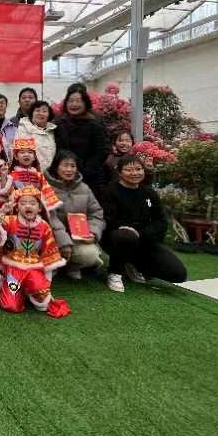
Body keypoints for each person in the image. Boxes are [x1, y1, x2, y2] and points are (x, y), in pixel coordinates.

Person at [101, 154, 187, 293]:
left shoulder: (149, 193)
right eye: (129, 170)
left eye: (138, 169)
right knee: (125, 236)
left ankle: (133, 264)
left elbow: (160, 221)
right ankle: (115, 272)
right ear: (120, 172)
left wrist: (141, 234)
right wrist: (125, 228)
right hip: (117, 239)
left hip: (143, 240)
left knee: (178, 273)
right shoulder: (109, 191)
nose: (135, 173)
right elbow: (107, 218)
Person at [0, 187, 70, 317]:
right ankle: (8, 284)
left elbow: (49, 252)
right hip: (13, 268)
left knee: (42, 299)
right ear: (17, 207)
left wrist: (46, 281)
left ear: (39, 208)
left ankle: (27, 289)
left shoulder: (44, 226)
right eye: (23, 203)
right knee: (10, 306)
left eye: (32, 203)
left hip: (34, 268)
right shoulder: (9, 221)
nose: (28, 206)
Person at [45, 150, 105, 280]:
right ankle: (56, 263)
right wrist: (64, 242)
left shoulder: (84, 188)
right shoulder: (46, 187)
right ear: (56, 167)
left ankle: (73, 265)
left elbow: (97, 214)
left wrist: (92, 233)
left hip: (77, 238)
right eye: (65, 165)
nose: (69, 170)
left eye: (72, 166)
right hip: (52, 238)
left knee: (90, 255)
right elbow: (50, 218)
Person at [54, 83, 109, 197]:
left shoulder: (95, 122)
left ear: (85, 103)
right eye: (71, 101)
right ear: (66, 103)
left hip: (90, 177)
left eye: (78, 101)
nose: (74, 104)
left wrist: (82, 170)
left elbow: (102, 150)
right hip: (62, 175)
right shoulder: (58, 122)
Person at [0, 137, 62, 212]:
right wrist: (3, 176)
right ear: (16, 156)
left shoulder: (39, 176)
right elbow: (4, 193)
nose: (26, 155)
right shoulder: (11, 176)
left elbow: (47, 195)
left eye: (30, 152)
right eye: (22, 152)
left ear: (34, 157)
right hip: (16, 209)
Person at [14, 100, 57, 170]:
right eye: (37, 110)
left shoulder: (54, 131)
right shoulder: (23, 130)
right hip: (29, 173)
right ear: (32, 113)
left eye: (44, 111)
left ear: (49, 115)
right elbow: (18, 154)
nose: (41, 113)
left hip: (51, 173)